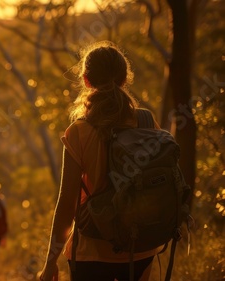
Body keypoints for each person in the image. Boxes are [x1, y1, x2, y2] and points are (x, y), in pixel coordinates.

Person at [39, 41, 162, 281]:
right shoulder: (147, 122)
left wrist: (50, 262)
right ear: (125, 79)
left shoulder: (79, 132)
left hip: (90, 252)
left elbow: (67, 205)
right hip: (140, 248)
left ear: (86, 80)